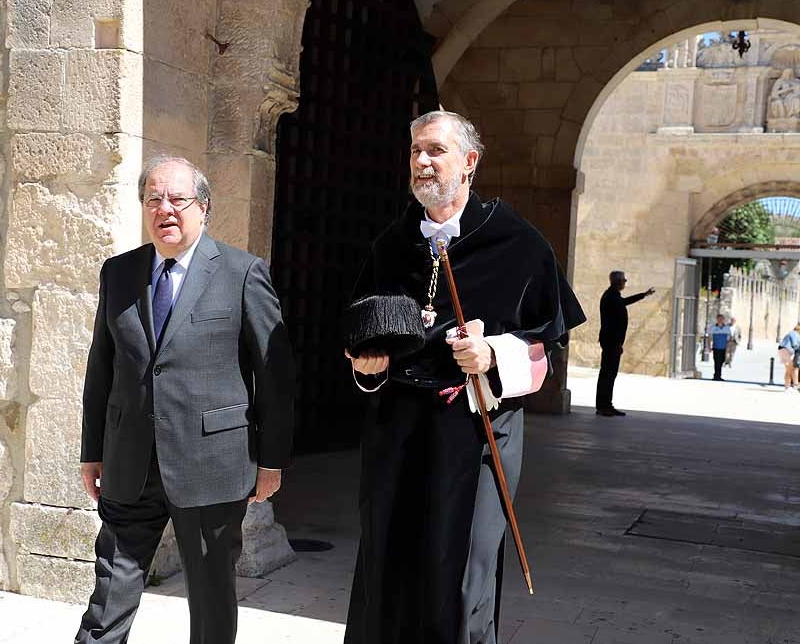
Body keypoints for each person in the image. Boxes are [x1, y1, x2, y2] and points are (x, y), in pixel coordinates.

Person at [343, 110, 585, 644]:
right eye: (415, 152)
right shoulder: (391, 243)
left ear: (469, 162)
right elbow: (363, 338)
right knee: (387, 560)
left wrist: (494, 354)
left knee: (461, 573)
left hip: (475, 434)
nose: (422, 162)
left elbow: (547, 349)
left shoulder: (518, 244)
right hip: (398, 431)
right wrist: (366, 364)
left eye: (435, 150)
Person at [74, 155, 296, 644]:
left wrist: (272, 460)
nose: (165, 209)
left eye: (178, 199)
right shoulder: (120, 273)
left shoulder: (242, 273)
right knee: (111, 584)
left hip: (211, 464)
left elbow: (274, 376)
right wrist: (93, 449)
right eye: (153, 199)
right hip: (130, 458)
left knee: (211, 592)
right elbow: (101, 369)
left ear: (204, 207)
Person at [595, 271, 655, 416]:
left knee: (609, 374)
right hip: (611, 342)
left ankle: (606, 404)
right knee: (607, 374)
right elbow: (612, 324)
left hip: (612, 341)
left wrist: (643, 295)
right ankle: (603, 405)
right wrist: (616, 344)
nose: (625, 281)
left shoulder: (613, 296)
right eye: (623, 279)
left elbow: (624, 302)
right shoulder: (611, 297)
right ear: (617, 281)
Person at [709, 314, 731, 381]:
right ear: (717, 319)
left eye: (721, 318)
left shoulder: (726, 328)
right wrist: (709, 346)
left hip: (724, 347)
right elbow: (710, 338)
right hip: (716, 347)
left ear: (723, 319)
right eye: (719, 318)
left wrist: (729, 347)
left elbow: (729, 338)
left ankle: (718, 375)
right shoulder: (713, 328)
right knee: (717, 361)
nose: (720, 320)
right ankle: (717, 376)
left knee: (722, 361)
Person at [779, 324, 800, 391]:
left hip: (784, 351)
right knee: (792, 369)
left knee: (789, 370)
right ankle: (793, 386)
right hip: (787, 351)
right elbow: (795, 344)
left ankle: (787, 387)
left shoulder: (791, 333)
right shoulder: (794, 333)